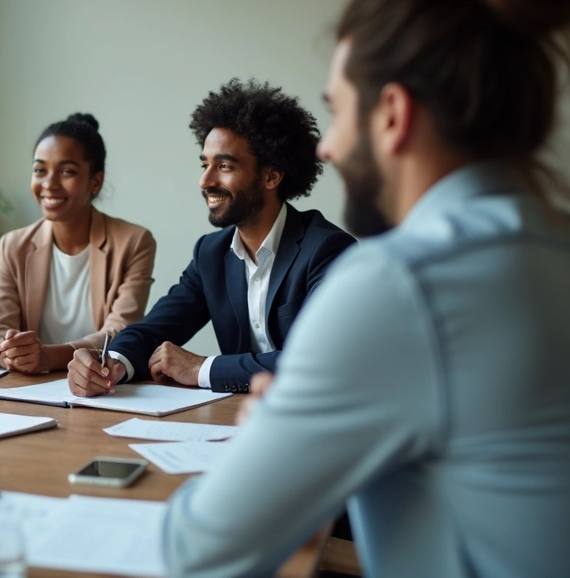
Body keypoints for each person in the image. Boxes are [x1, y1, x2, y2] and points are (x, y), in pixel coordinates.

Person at [164, 0, 570, 576]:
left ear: (393, 115)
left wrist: (270, 433)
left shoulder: (401, 283)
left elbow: (197, 552)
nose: (329, 149)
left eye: (340, 111)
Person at [67, 79, 355, 396]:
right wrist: (112, 363)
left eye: (225, 166)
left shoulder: (327, 250)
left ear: (271, 176)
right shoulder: (211, 254)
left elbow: (320, 361)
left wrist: (201, 368)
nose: (205, 181)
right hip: (236, 420)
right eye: (205, 164)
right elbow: (154, 328)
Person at [0, 113, 156, 372]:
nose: (49, 184)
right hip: (26, 388)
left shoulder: (134, 242)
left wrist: (50, 357)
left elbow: (119, 330)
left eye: (66, 171)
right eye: (40, 170)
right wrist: (10, 353)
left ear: (95, 182)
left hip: (100, 384)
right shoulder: (13, 246)